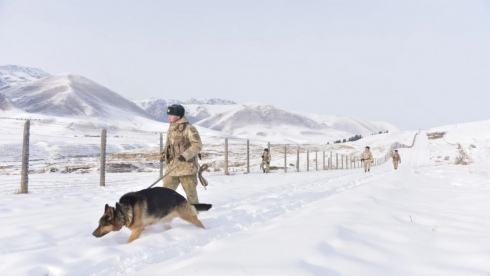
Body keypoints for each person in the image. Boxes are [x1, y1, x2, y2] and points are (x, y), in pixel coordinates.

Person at [160, 104, 202, 204]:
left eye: (171, 115)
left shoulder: (189, 129)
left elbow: (197, 145)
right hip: (172, 168)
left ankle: (194, 215)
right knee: (164, 193)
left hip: (187, 169)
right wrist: (164, 153)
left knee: (191, 196)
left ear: (178, 116)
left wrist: (185, 156)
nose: (169, 117)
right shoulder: (171, 129)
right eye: (168, 115)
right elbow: (169, 145)